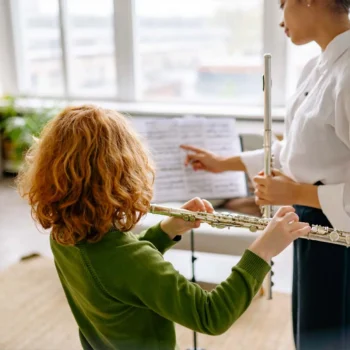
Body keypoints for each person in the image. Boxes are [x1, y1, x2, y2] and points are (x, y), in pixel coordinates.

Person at [16, 105, 309, 350]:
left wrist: (167, 229)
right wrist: (262, 250)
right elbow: (211, 315)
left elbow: (120, 276)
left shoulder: (64, 235)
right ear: (124, 176)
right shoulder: (131, 260)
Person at [181, 1, 350, 349]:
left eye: (284, 4)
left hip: (341, 232)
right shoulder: (316, 68)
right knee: (312, 329)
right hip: (313, 222)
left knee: (331, 334)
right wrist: (222, 162)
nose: (281, 19)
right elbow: (296, 151)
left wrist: (297, 193)